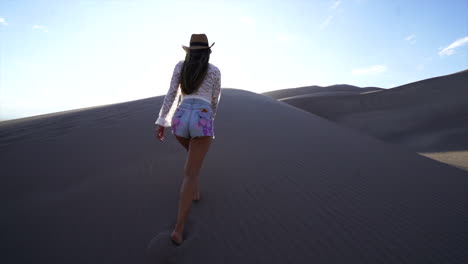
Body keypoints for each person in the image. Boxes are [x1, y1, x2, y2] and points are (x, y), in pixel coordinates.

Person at [155, 33, 221, 245]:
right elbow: (214, 100)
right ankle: (179, 229)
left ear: (190, 52)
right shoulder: (214, 71)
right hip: (201, 116)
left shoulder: (179, 66)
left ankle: (196, 192)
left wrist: (162, 120)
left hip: (180, 118)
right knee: (190, 172)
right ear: (207, 52)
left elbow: (171, 94)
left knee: (193, 159)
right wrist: (210, 120)